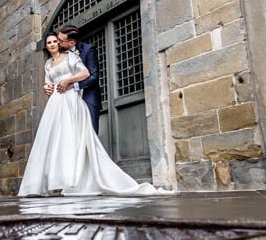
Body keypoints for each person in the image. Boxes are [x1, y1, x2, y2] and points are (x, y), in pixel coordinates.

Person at [19, 33, 162, 197]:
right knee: (56, 139)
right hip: (55, 103)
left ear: (59, 44)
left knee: (71, 137)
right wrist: (46, 87)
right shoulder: (48, 64)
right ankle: (57, 180)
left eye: (54, 42)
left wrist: (68, 81)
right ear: (46, 46)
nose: (52, 44)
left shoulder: (69, 57)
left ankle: (73, 180)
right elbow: (48, 82)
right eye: (49, 42)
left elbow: (86, 73)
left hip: (71, 99)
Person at [54, 24, 101, 134]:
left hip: (88, 97)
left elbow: (94, 77)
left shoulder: (88, 50)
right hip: (67, 101)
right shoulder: (59, 54)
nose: (57, 43)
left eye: (60, 40)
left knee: (90, 134)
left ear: (71, 43)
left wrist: (73, 85)